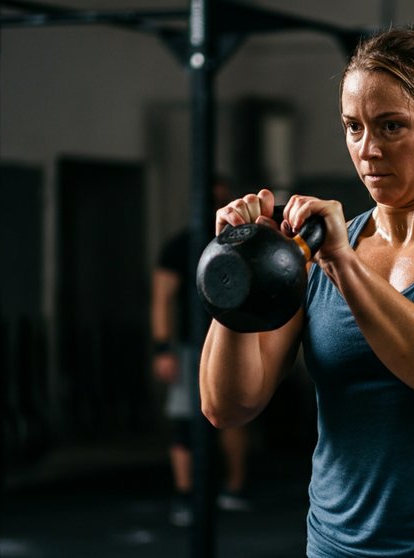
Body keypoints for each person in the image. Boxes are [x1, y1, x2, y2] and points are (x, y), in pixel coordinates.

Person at [200, 28, 414, 556]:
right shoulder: (317, 254)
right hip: (334, 547)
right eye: (353, 127)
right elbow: (227, 406)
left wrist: (342, 261)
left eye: (391, 126)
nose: (368, 150)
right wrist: (240, 272)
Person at [152, 176, 252, 527]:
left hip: (231, 337)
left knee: (234, 415)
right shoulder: (180, 245)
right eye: (212, 198)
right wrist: (163, 348)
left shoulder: (242, 241)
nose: (217, 203)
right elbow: (162, 297)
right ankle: (185, 495)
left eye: (222, 197)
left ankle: (235, 488)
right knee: (184, 422)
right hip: (189, 346)